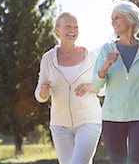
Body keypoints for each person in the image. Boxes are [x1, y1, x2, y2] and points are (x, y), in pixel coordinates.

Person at [92, 0, 139, 164]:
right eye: (112, 18)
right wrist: (106, 65)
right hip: (112, 117)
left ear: (131, 18)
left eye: (117, 17)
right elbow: (96, 86)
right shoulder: (107, 49)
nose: (113, 21)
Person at [34, 12, 102, 164]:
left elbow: (105, 88)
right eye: (68, 26)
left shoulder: (90, 56)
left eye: (75, 27)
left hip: (89, 121)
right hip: (60, 125)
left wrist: (91, 86)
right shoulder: (48, 58)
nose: (72, 30)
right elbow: (39, 94)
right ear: (57, 30)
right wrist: (43, 91)